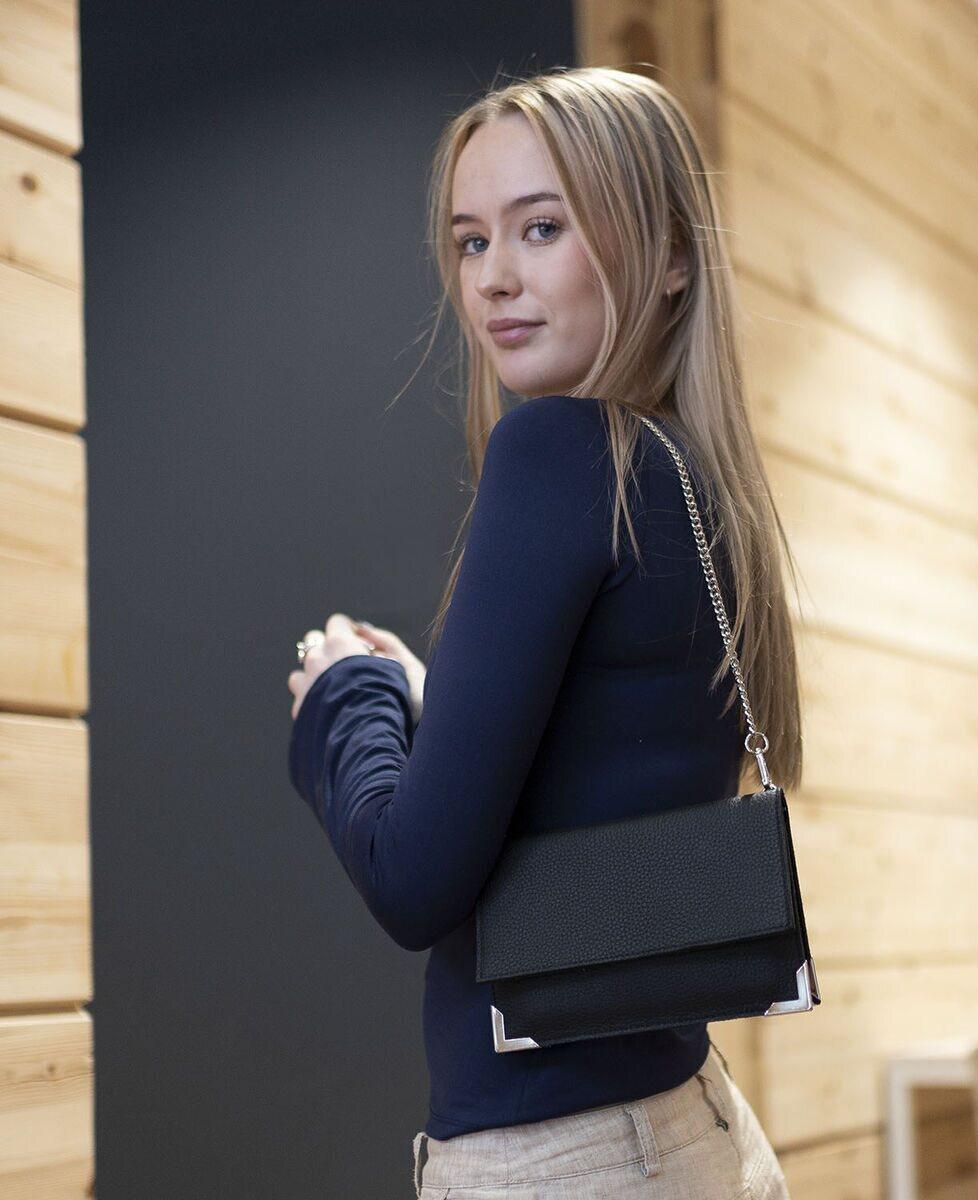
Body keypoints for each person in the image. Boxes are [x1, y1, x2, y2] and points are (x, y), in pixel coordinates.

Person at [287, 65, 804, 1199]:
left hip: (560, 1159)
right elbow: (601, 781)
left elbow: (414, 879)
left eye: (542, 227)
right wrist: (433, 699)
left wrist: (344, 700)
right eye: (471, 242)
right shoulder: (690, 474)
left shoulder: (560, 454)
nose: (494, 279)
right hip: (691, 1126)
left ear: (673, 255)